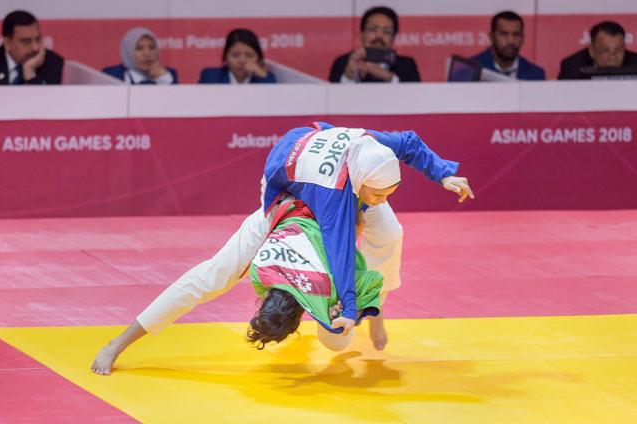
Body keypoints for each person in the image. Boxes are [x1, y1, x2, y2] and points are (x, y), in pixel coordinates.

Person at [92, 121, 474, 375]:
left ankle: (378, 307)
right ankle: (119, 343)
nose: (381, 199)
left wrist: (444, 174)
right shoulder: (334, 197)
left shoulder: (372, 149)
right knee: (214, 275)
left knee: (390, 231)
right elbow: (340, 248)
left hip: (324, 165)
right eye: (377, 194)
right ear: (359, 183)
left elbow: (409, 143)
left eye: (390, 191)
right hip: (283, 198)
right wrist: (350, 306)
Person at [248, 199, 384, 351]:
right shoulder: (257, 271)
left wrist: (353, 312)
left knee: (336, 339)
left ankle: (373, 317)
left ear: (299, 318)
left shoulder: (323, 291)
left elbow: (373, 280)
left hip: (337, 208)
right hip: (290, 204)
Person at [0, 10, 63, 85]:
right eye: (26, 41)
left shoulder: (52, 63)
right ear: (7, 42)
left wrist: (30, 74)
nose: (35, 47)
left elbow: (47, 106)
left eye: (38, 39)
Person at [329, 6, 420, 83]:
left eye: (387, 31)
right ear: (362, 34)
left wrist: (389, 78)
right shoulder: (343, 62)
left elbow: (417, 98)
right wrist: (349, 76)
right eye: (373, 29)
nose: (379, 36)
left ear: (394, 38)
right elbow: (330, 100)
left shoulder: (407, 65)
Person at [470, 11, 545, 80]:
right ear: (491, 37)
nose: (511, 41)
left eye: (516, 34)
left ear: (522, 38)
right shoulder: (470, 69)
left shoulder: (536, 74)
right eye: (504, 34)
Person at [558, 21, 637, 80]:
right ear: (591, 50)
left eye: (618, 50)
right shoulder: (573, 67)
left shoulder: (635, 63)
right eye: (605, 50)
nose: (612, 56)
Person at [102, 27, 178, 84]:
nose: (147, 54)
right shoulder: (112, 75)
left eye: (152, 47)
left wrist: (163, 77)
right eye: (139, 48)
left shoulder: (169, 75)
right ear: (128, 52)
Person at [199, 28, 276, 84]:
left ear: (258, 58)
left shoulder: (264, 78)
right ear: (226, 56)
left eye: (249, 55)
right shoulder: (210, 77)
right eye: (235, 55)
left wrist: (262, 74)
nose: (242, 61)